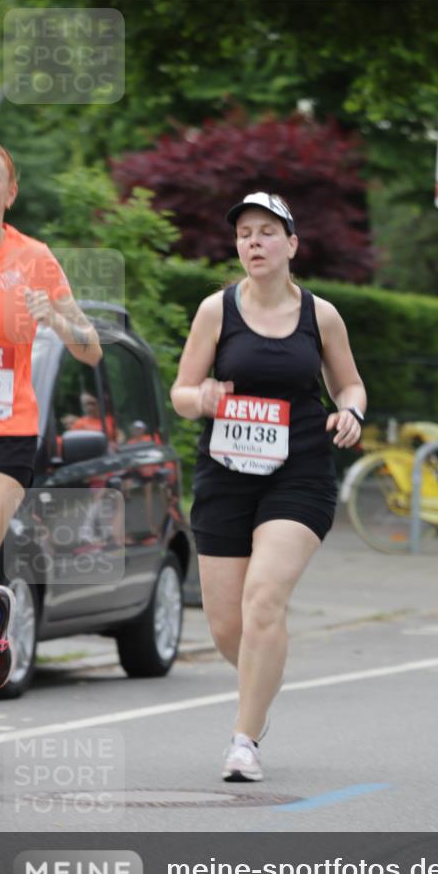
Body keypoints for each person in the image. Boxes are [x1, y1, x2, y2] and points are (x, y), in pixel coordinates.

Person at [171, 191, 366, 782]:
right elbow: (182, 390)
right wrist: (199, 397)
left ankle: (243, 741)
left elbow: (350, 385)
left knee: (264, 600)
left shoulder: (320, 315)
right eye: (244, 234)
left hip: (299, 474)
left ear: (291, 245)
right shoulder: (216, 310)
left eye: (265, 232)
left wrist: (351, 414)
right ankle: (262, 685)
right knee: (229, 626)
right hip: (225, 477)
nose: (253, 242)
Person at [0, 143, 102, 751]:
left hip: (4, 436)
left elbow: (90, 346)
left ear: (10, 192)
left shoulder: (34, 259)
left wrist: (54, 315)